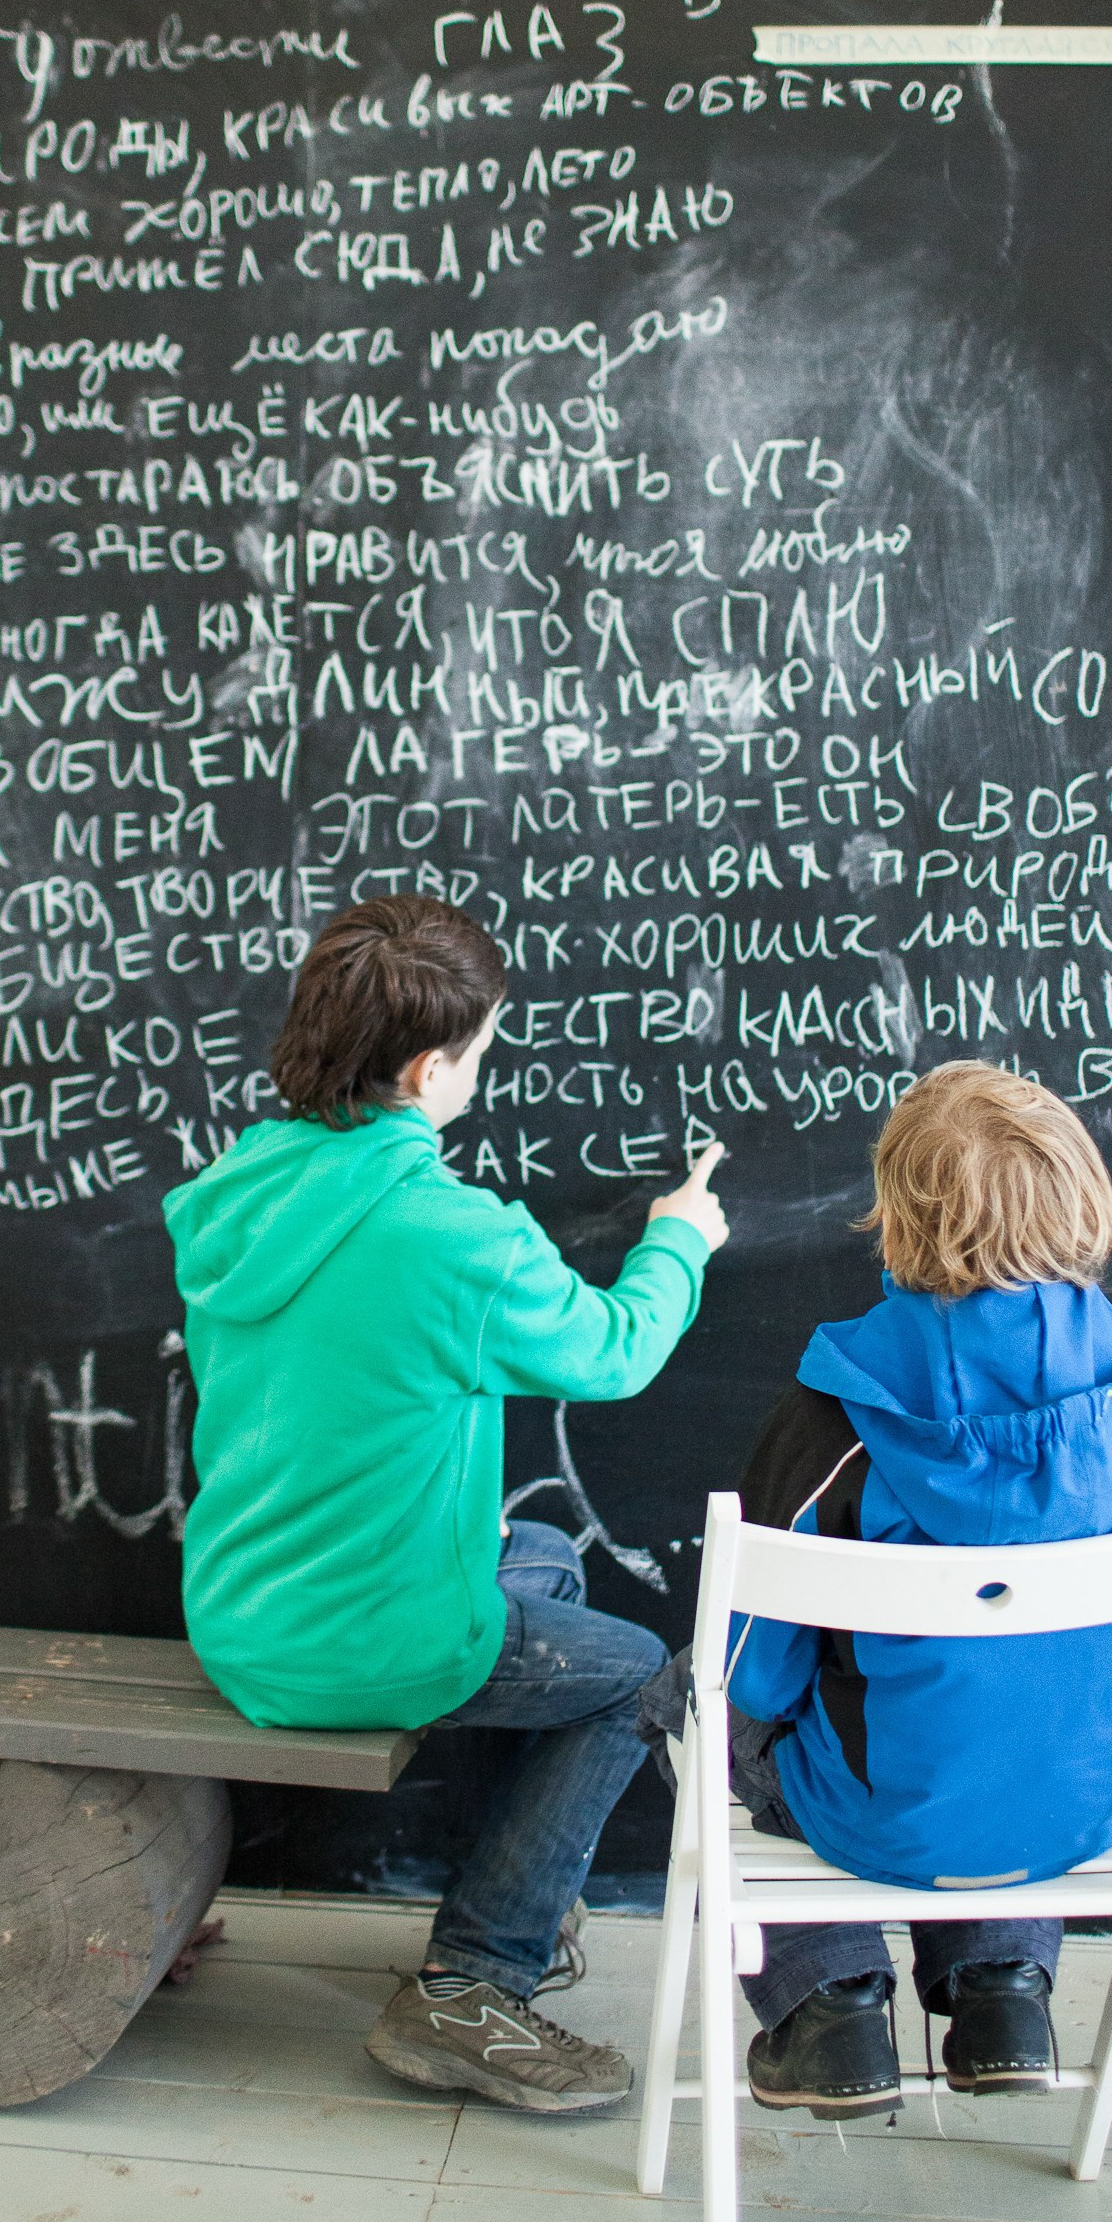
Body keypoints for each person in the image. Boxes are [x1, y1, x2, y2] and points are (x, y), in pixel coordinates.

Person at [164, 893, 729, 2116]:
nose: (480, 1071)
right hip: (364, 1641)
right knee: (640, 1671)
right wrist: (676, 1239)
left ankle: (507, 1888)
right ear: (430, 1067)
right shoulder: (452, 1238)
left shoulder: (240, 1187)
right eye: (478, 1051)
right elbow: (616, 1352)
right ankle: (476, 1977)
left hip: (240, 1608)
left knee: (531, 1551)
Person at [650, 1059, 1112, 2119]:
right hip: (1072, 1809)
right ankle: (1001, 1992)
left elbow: (750, 1678)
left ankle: (829, 2002)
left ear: (894, 1215)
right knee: (1009, 1699)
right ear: (1082, 1196)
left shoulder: (834, 1420)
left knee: (685, 1692)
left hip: (872, 1818)